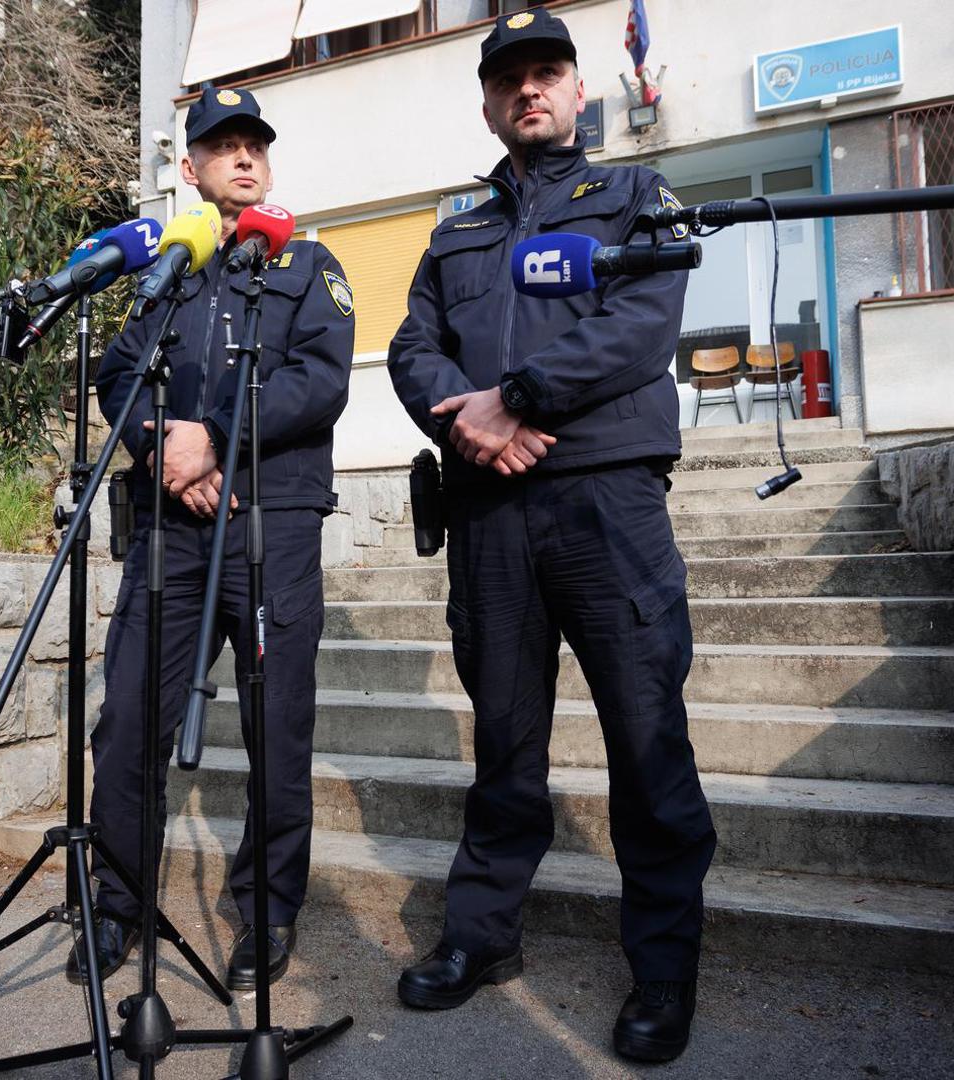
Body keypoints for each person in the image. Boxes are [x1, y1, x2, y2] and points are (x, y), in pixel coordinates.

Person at [386, 8, 715, 1063]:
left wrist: (518, 397)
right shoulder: (456, 229)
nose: (528, 89)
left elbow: (643, 325)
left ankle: (662, 968)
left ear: (578, 91)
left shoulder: (635, 196)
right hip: (487, 509)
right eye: (508, 79)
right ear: (489, 103)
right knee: (504, 740)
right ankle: (481, 938)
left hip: (604, 501)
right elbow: (412, 346)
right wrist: (467, 422)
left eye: (546, 73)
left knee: (646, 738)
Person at [78, 86, 354, 991]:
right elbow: (119, 378)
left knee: (278, 728)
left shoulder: (308, 265)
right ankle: (116, 904)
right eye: (223, 146)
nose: (243, 157)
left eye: (254, 145)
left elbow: (321, 382)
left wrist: (218, 439)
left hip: (272, 526)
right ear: (190, 167)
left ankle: (266, 912)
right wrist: (168, 451)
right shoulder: (173, 268)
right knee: (127, 723)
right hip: (173, 528)